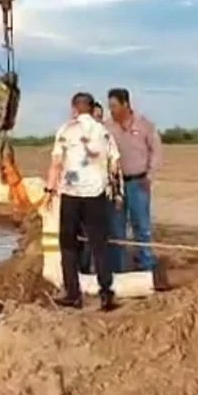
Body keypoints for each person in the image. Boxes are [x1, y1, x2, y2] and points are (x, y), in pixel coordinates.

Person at [44, 92, 122, 311]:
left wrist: (49, 191)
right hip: (96, 195)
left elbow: (56, 164)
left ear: (74, 109)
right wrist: (117, 194)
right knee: (100, 246)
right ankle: (106, 294)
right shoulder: (103, 132)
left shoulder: (66, 130)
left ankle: (73, 294)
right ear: (90, 108)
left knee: (68, 246)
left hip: (71, 194)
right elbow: (114, 166)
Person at [105, 88, 162, 272]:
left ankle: (146, 266)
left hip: (139, 183)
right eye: (109, 106)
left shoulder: (145, 125)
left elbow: (156, 151)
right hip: (116, 186)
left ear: (126, 104)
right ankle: (118, 268)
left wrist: (150, 175)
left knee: (142, 226)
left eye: (114, 105)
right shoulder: (106, 128)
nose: (111, 110)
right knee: (116, 228)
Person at [78, 99, 107, 273]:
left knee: (99, 234)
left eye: (100, 117)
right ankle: (84, 270)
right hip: (82, 193)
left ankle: (102, 272)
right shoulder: (78, 140)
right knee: (85, 235)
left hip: (102, 192)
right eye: (95, 117)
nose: (98, 120)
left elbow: (113, 167)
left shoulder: (105, 138)